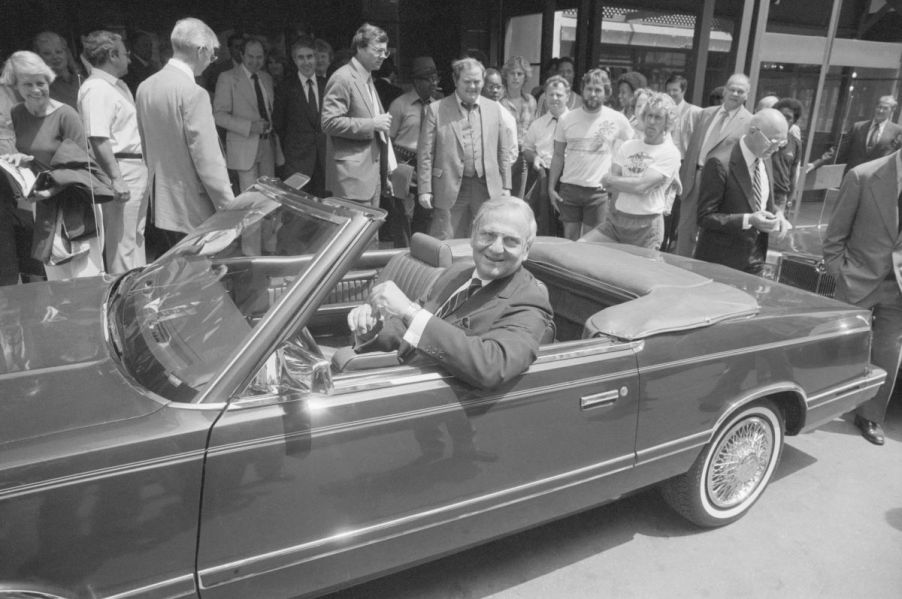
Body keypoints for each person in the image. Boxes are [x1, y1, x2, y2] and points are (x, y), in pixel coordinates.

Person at [347, 196, 552, 391]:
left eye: (510, 241)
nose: (496, 248)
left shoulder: (530, 301)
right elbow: (410, 325)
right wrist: (371, 329)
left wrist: (408, 310)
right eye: (488, 235)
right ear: (473, 236)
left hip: (444, 405)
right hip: (404, 380)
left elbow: (492, 366)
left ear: (526, 250)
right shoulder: (457, 273)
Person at [823, 148, 902, 446]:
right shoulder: (863, 176)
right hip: (857, 279)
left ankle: (870, 415)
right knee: (844, 345)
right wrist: (840, 272)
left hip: (897, 287)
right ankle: (829, 404)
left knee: (888, 352)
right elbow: (835, 236)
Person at [136, 17, 235, 256]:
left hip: (160, 204)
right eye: (212, 55)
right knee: (205, 282)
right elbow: (208, 160)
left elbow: (146, 147)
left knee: (178, 279)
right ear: (201, 50)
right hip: (193, 207)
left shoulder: (145, 87)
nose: (212, 61)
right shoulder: (193, 93)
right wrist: (230, 209)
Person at [1, 51, 103, 280]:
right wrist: (22, 159)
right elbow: (34, 151)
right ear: (15, 86)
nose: (36, 90)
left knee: (86, 280)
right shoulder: (18, 113)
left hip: (75, 204)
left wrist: (51, 189)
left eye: (41, 83)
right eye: (28, 84)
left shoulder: (66, 115)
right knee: (57, 281)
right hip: (43, 205)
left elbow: (86, 168)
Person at [417, 57, 512, 239]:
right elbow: (425, 154)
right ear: (455, 81)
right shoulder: (435, 110)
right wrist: (425, 189)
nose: (473, 86)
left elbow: (503, 151)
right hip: (449, 186)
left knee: (487, 237)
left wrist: (506, 185)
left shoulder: (494, 108)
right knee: (445, 240)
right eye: (467, 81)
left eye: (477, 81)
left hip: (485, 187)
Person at [78, 30, 149, 274]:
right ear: (111, 55)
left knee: (135, 237)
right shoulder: (97, 88)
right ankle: (124, 303)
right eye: (125, 54)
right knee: (121, 243)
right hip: (122, 168)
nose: (129, 59)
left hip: (136, 167)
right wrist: (116, 178)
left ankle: (138, 298)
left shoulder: (116, 86)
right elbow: (98, 138)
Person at [694, 108, 790, 275]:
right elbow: (704, 217)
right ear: (753, 131)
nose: (775, 149)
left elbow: (758, 201)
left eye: (781, 144)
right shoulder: (719, 162)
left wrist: (777, 213)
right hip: (722, 262)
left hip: (755, 258)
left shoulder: (765, 157)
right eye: (772, 141)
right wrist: (748, 220)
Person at [582, 92, 681, 250]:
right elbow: (610, 187)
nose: (651, 121)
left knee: (639, 273)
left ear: (667, 122)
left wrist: (614, 180)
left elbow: (640, 187)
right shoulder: (628, 146)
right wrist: (621, 183)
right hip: (617, 220)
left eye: (658, 117)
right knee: (581, 247)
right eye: (649, 115)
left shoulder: (670, 152)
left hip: (647, 225)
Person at [547, 68, 632, 240]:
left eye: (598, 90)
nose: (593, 94)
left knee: (590, 243)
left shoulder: (617, 119)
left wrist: (618, 181)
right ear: (582, 91)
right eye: (589, 89)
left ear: (606, 93)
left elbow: (632, 148)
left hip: (598, 192)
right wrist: (551, 187)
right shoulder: (566, 119)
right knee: (568, 239)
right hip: (569, 188)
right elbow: (557, 155)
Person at [676, 73, 752, 257]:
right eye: (731, 89)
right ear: (724, 90)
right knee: (685, 230)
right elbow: (693, 147)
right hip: (694, 178)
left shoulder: (749, 121)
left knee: (711, 232)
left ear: (747, 96)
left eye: (740, 91)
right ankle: (677, 271)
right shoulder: (705, 113)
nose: (734, 93)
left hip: (720, 184)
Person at [321, 23, 396, 207]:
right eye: (378, 51)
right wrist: (372, 124)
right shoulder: (343, 77)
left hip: (371, 177)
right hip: (351, 180)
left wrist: (383, 175)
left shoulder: (368, 78)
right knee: (356, 235)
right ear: (360, 48)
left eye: (385, 52)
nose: (382, 57)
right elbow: (329, 122)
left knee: (370, 236)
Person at [213, 38, 277, 193]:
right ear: (242, 55)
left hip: (267, 145)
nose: (255, 61)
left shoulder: (266, 78)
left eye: (259, 57)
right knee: (250, 201)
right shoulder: (227, 78)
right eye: (250, 56)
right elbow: (218, 115)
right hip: (244, 146)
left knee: (270, 197)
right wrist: (250, 127)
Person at [388, 55, 440, 235]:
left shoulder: (438, 107)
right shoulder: (399, 105)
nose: (434, 83)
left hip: (426, 168)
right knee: (404, 221)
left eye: (435, 78)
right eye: (428, 79)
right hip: (403, 166)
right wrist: (390, 172)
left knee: (425, 219)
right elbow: (387, 141)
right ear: (416, 81)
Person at [273, 36, 326, 196]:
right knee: (298, 211)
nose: (306, 62)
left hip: (324, 160)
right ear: (294, 60)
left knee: (325, 209)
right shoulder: (285, 87)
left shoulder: (328, 84)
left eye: (309, 56)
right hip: (296, 161)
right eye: (301, 58)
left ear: (316, 58)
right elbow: (279, 124)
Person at [522, 74, 569, 236]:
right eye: (551, 94)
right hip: (544, 176)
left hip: (567, 178)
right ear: (545, 97)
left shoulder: (575, 122)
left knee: (566, 226)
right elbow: (527, 149)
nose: (555, 98)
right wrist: (534, 157)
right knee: (543, 226)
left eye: (559, 95)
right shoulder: (538, 124)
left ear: (567, 97)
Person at [663, 74, 702, 250]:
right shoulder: (662, 109)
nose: (672, 94)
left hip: (684, 164)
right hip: (664, 163)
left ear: (683, 90)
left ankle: (673, 241)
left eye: (675, 90)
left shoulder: (694, 112)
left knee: (678, 205)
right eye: (669, 90)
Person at [834, 95, 902, 175]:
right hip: (853, 177)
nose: (880, 111)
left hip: (876, 180)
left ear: (892, 110)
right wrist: (817, 163)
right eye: (879, 107)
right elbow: (840, 150)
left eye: (885, 108)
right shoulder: (858, 127)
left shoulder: (898, 131)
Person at [500, 56, 537, 199]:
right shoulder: (499, 101)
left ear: (525, 77)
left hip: (524, 158)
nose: (516, 77)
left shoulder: (530, 101)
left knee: (518, 201)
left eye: (520, 74)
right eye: (512, 73)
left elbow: (534, 130)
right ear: (506, 76)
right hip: (504, 157)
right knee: (502, 200)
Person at [771, 97, 804, 214]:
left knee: (775, 231)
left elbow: (793, 174)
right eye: (781, 115)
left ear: (793, 122)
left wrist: (789, 200)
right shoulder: (763, 136)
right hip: (759, 192)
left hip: (779, 197)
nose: (784, 119)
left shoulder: (796, 144)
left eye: (788, 117)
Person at [32, 31, 82, 109]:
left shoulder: (80, 79)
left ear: (66, 53)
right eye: (47, 53)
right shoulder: (41, 89)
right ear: (38, 57)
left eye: (59, 52)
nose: (55, 57)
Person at [122, 30, 159, 95]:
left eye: (150, 45)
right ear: (136, 47)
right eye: (145, 45)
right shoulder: (129, 68)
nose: (149, 48)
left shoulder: (154, 65)